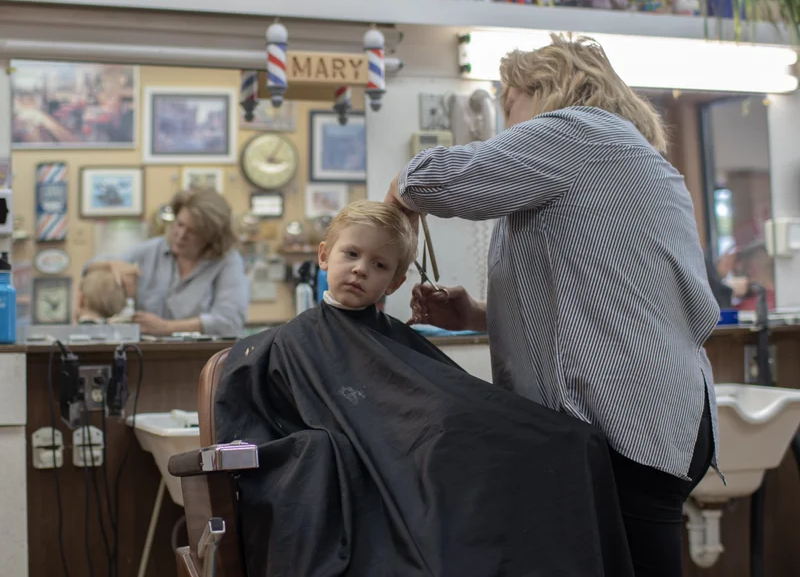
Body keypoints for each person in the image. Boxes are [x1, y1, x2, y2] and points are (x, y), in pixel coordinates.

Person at [385, 33, 719, 576]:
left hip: (628, 418)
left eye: (508, 107)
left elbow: (438, 178)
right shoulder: (628, 153)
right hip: (666, 414)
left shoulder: (575, 133)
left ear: (537, 88)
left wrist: (395, 198)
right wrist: (476, 315)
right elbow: (593, 303)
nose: (507, 127)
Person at [213, 199, 635, 577]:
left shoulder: (394, 337)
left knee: (572, 442)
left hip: (430, 441)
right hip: (401, 457)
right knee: (447, 451)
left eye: (379, 265)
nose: (361, 268)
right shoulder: (293, 342)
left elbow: (444, 397)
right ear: (324, 256)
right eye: (351, 254)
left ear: (394, 283)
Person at [85, 188, 248, 337]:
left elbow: (229, 322)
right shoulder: (151, 251)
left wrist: (167, 327)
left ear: (211, 237)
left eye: (193, 232)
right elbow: (89, 267)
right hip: (148, 356)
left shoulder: (227, 262)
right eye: (180, 224)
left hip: (202, 358)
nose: (181, 235)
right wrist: (111, 265)